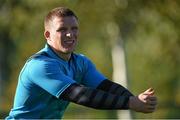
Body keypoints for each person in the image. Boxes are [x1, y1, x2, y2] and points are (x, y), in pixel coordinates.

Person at [6, 7, 157, 119]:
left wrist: (137, 100)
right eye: (62, 29)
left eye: (74, 28)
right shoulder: (40, 65)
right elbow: (80, 95)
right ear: (48, 35)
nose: (70, 34)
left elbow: (106, 87)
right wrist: (130, 103)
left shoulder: (81, 62)